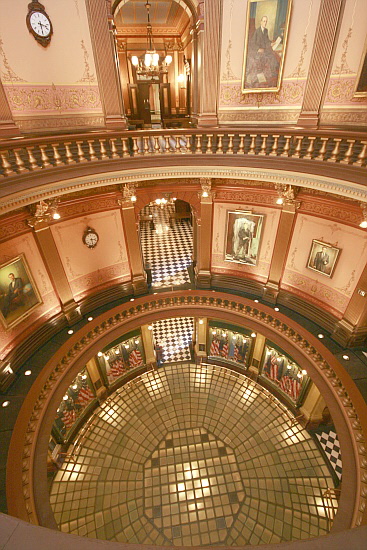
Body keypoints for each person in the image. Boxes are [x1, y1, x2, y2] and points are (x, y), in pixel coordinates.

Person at [246, 15, 280, 88]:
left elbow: (267, 41)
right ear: (261, 22)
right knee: (267, 58)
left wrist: (271, 43)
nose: (265, 23)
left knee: (272, 56)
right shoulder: (257, 31)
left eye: (266, 21)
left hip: (264, 49)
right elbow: (252, 43)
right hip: (258, 51)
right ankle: (265, 75)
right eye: (264, 21)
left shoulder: (266, 30)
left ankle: (273, 74)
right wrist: (258, 49)